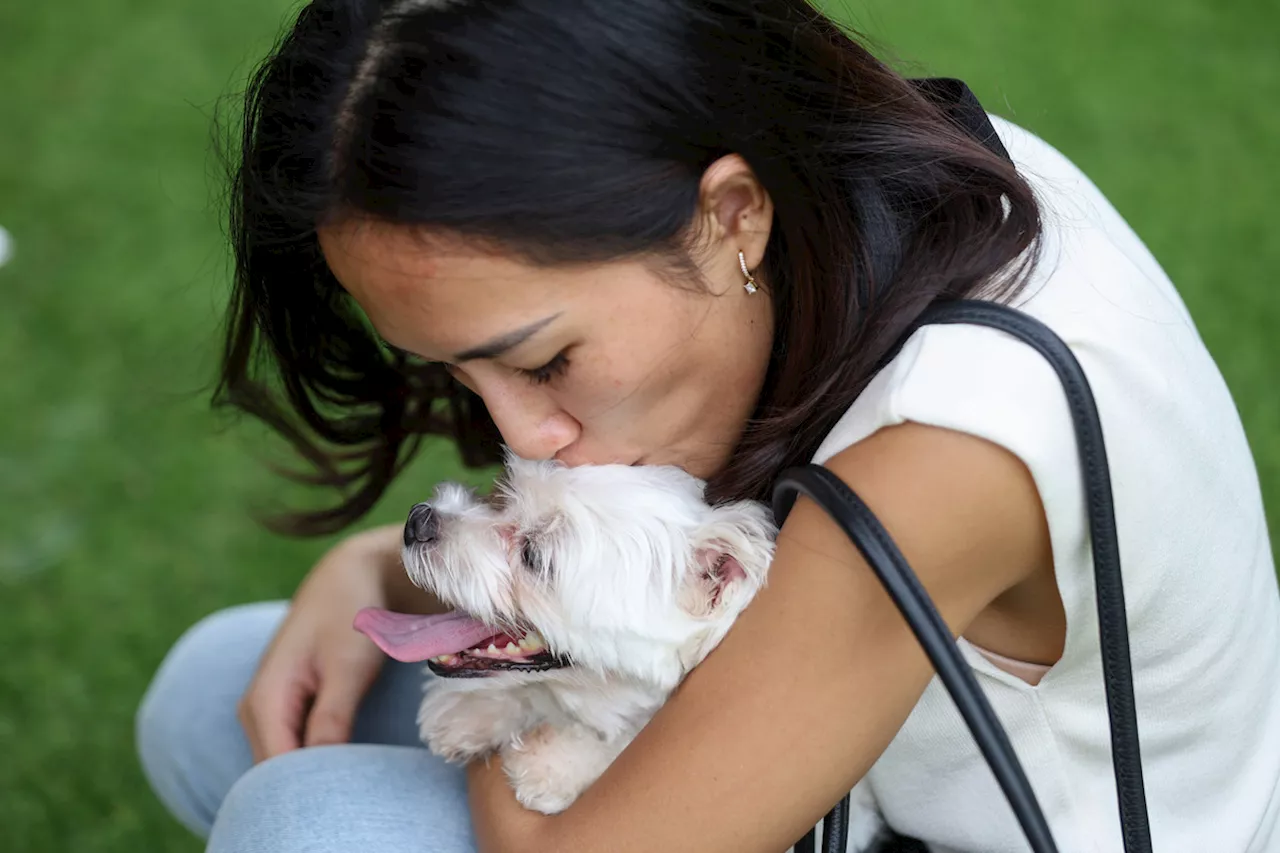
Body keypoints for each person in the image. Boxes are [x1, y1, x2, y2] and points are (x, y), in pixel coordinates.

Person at [134, 0, 1280, 851]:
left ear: (731, 213)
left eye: (542, 360)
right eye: (450, 374)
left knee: (303, 820)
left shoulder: (946, 451)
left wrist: (502, 688)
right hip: (855, 776)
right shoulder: (875, 192)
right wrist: (384, 564)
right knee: (214, 690)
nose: (521, 435)